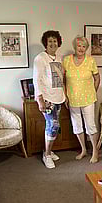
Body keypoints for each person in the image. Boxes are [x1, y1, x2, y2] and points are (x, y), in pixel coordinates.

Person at [63, 35, 100, 163]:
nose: (81, 48)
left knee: (91, 126)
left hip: (88, 99)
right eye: (79, 45)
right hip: (72, 99)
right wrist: (65, 95)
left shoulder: (90, 60)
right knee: (77, 126)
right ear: (75, 46)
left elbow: (97, 78)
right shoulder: (67, 60)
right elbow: (62, 80)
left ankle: (95, 151)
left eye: (84, 46)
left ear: (86, 48)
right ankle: (83, 149)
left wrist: (92, 91)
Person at [33, 30, 65, 169]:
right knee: (53, 126)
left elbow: (61, 79)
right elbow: (36, 80)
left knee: (54, 127)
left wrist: (65, 96)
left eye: (55, 41)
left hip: (58, 97)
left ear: (58, 43)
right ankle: (46, 155)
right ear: (45, 43)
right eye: (50, 41)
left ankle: (49, 151)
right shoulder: (40, 58)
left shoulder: (59, 58)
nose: (52, 43)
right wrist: (39, 99)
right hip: (47, 99)